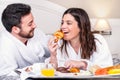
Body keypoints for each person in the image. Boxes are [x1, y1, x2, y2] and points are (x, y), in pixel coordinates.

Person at [48, 8, 113, 70]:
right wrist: (53, 55)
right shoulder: (60, 43)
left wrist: (83, 64)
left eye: (69, 23)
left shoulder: (97, 40)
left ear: (81, 26)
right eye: (62, 23)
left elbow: (105, 68)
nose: (63, 26)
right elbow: (53, 70)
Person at [0, 3, 50, 76]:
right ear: (15, 29)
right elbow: (7, 75)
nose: (35, 25)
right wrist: (33, 70)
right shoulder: (4, 47)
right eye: (30, 24)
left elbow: (51, 50)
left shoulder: (35, 33)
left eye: (33, 21)